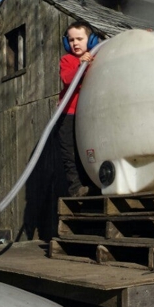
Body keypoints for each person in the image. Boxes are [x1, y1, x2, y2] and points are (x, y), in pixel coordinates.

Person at [58, 20, 97, 197]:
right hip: (69, 114)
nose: (75, 43)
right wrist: (81, 64)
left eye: (79, 39)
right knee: (70, 153)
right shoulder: (68, 60)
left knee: (89, 150)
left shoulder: (97, 57)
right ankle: (76, 188)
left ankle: (93, 184)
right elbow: (67, 79)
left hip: (88, 113)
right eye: (71, 40)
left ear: (90, 40)